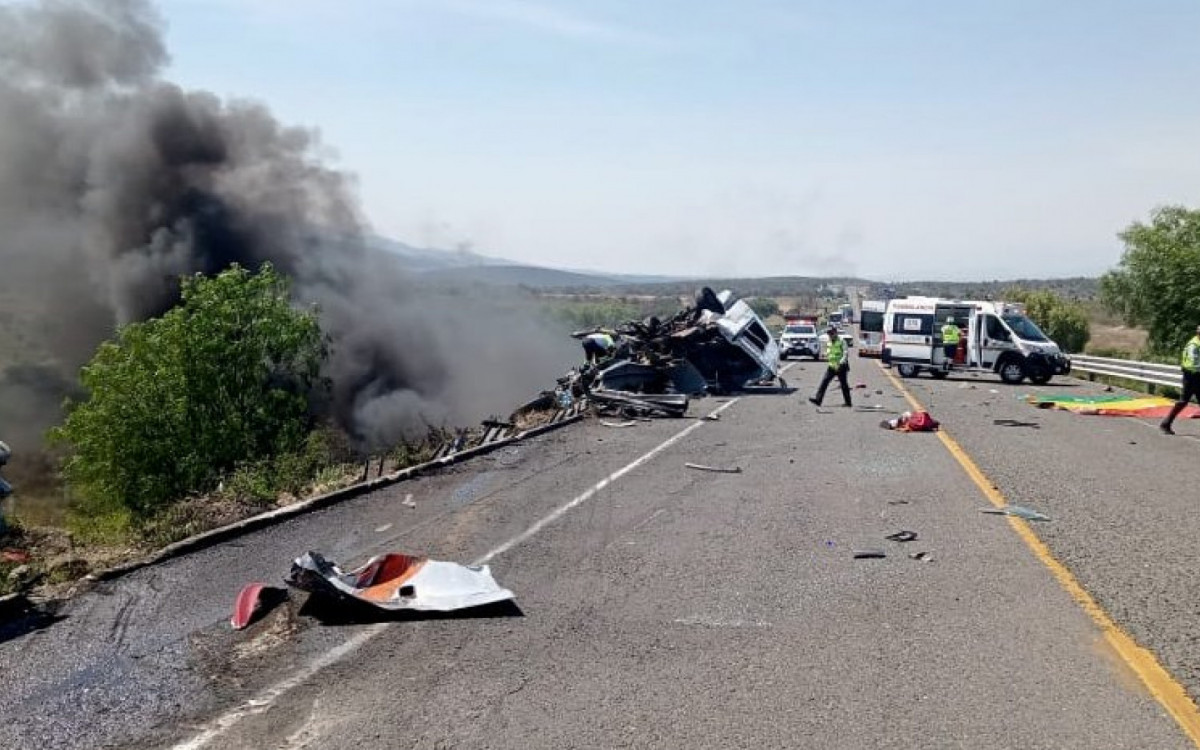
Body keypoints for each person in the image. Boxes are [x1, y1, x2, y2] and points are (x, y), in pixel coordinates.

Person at [1159, 325, 1200, 435]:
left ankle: (1166, 424)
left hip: (1196, 375)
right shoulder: (1194, 345)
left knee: (1183, 401)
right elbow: (1194, 362)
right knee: (1183, 401)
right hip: (1191, 376)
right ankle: (1166, 424)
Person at [809, 325, 852, 407]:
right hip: (832, 366)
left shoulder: (842, 341)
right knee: (824, 382)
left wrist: (841, 363)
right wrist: (825, 355)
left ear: (835, 333)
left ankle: (848, 402)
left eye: (831, 333)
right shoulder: (829, 342)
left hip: (841, 367)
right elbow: (830, 352)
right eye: (829, 333)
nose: (830, 335)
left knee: (844, 385)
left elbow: (845, 353)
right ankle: (818, 400)